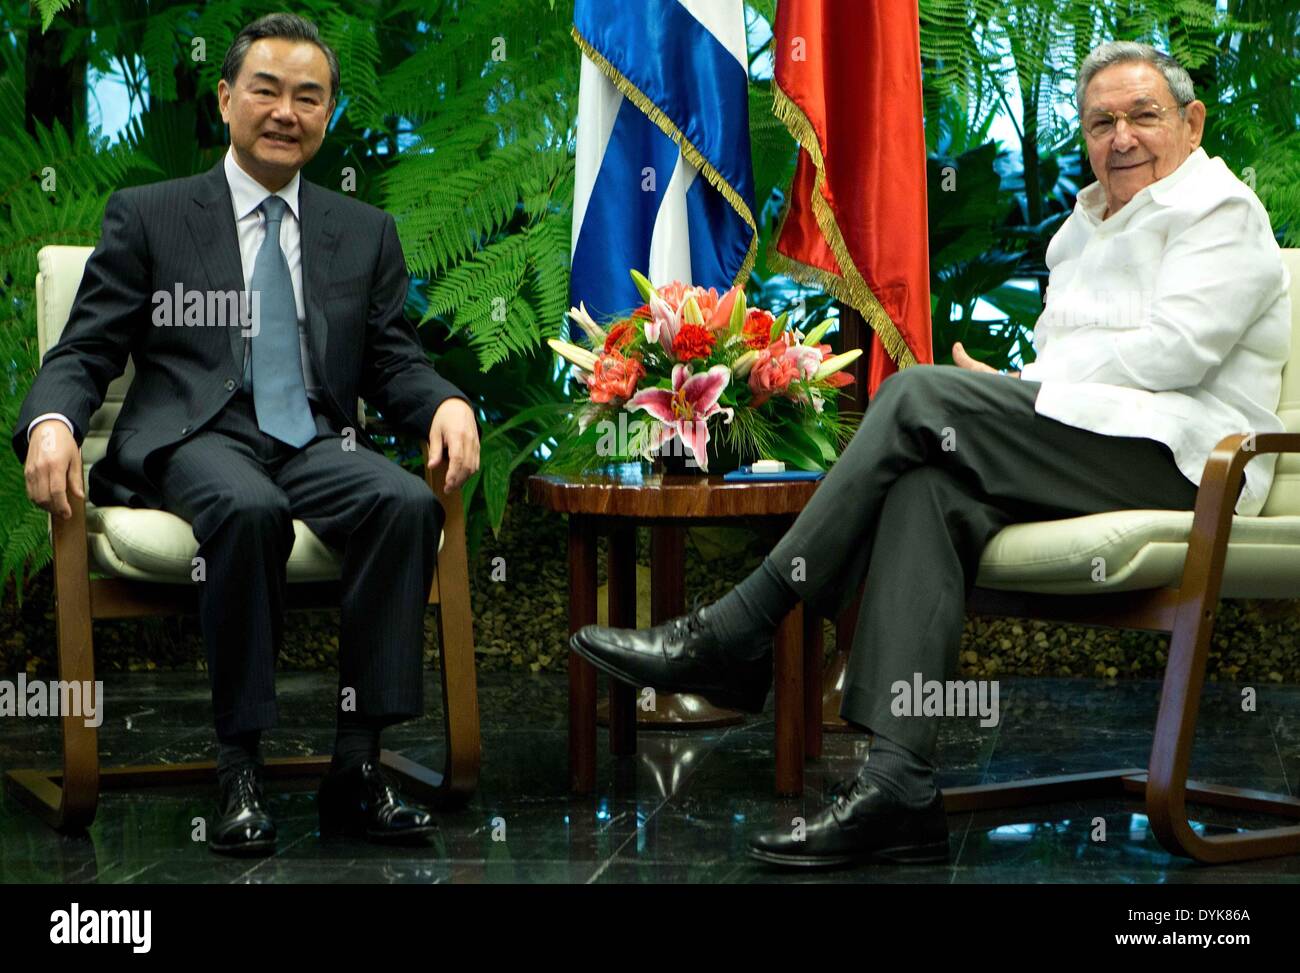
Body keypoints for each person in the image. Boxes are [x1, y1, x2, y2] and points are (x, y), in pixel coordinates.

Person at [570, 40, 1291, 869]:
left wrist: (1030, 381)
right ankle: (899, 783)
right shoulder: (1080, 230)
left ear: (1191, 122)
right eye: (1101, 122)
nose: (1121, 136)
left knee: (917, 395)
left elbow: (1174, 357)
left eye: (1143, 115)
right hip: (1092, 442)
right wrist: (1031, 382)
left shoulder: (1222, 213)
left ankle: (740, 629)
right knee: (926, 488)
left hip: (1186, 464)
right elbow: (1080, 367)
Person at [13, 13, 481, 856]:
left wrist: (446, 403)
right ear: (227, 97)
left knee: (405, 503)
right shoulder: (151, 215)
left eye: (309, 97)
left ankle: (355, 767)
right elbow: (85, 350)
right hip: (200, 438)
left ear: (328, 116)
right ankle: (239, 767)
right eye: (265, 89)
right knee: (247, 507)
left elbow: (394, 362)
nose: (285, 111)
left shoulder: (361, 232)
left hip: (314, 440)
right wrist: (51, 423)